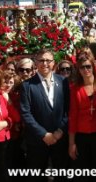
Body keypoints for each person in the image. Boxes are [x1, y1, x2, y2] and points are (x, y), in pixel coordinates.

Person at [19, 49, 70, 182]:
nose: (45, 63)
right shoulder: (27, 85)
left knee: (61, 176)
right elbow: (26, 113)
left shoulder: (64, 82)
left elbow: (68, 110)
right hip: (37, 141)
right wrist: (43, 134)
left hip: (60, 139)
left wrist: (60, 131)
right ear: (36, 62)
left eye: (48, 60)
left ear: (54, 63)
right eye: (41, 60)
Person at [68, 56, 96, 181]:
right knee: (82, 172)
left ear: (93, 67)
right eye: (82, 67)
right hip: (81, 135)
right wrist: (71, 143)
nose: (85, 69)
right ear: (78, 70)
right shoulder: (74, 89)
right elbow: (73, 116)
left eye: (88, 66)